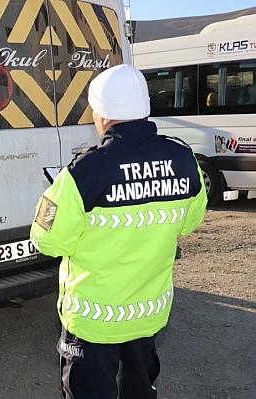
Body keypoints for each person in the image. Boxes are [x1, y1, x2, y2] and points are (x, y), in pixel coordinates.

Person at [30, 65, 208, 399]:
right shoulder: (184, 159)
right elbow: (190, 221)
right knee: (138, 390)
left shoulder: (85, 171)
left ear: (102, 116)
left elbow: (48, 241)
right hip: (147, 314)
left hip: (93, 321)